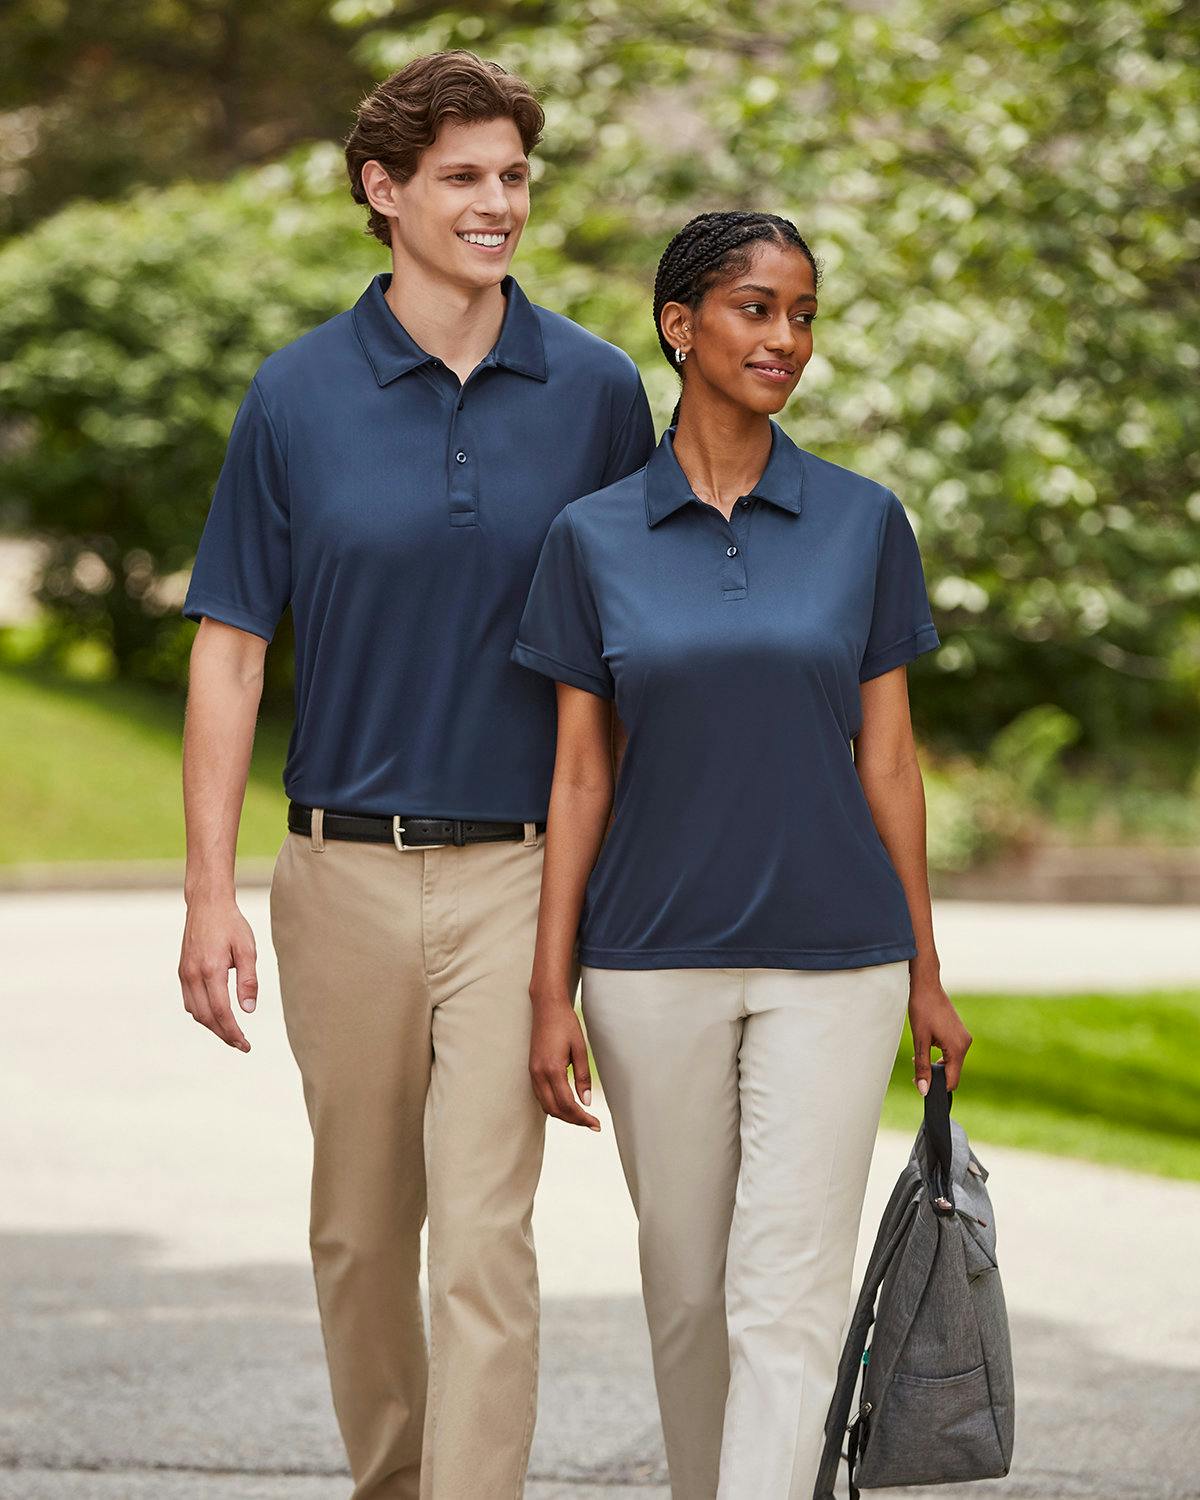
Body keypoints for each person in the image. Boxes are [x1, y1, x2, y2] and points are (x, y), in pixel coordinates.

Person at [176, 50, 654, 1500]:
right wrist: (208, 899)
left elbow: (637, 652)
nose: (498, 203)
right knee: (364, 1234)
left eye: (514, 175)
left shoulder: (595, 392)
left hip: (522, 873)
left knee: (490, 1235)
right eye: (463, 178)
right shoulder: (297, 395)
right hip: (341, 877)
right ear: (384, 193)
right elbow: (231, 654)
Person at [511, 209, 973, 1499]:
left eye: (805, 314)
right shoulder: (590, 538)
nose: (788, 338)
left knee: (789, 1294)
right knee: (687, 1292)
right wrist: (553, 990)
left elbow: (888, 757)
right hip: (650, 961)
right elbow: (580, 771)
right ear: (681, 325)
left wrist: (926, 968)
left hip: (838, 958)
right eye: (757, 308)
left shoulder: (862, 521)